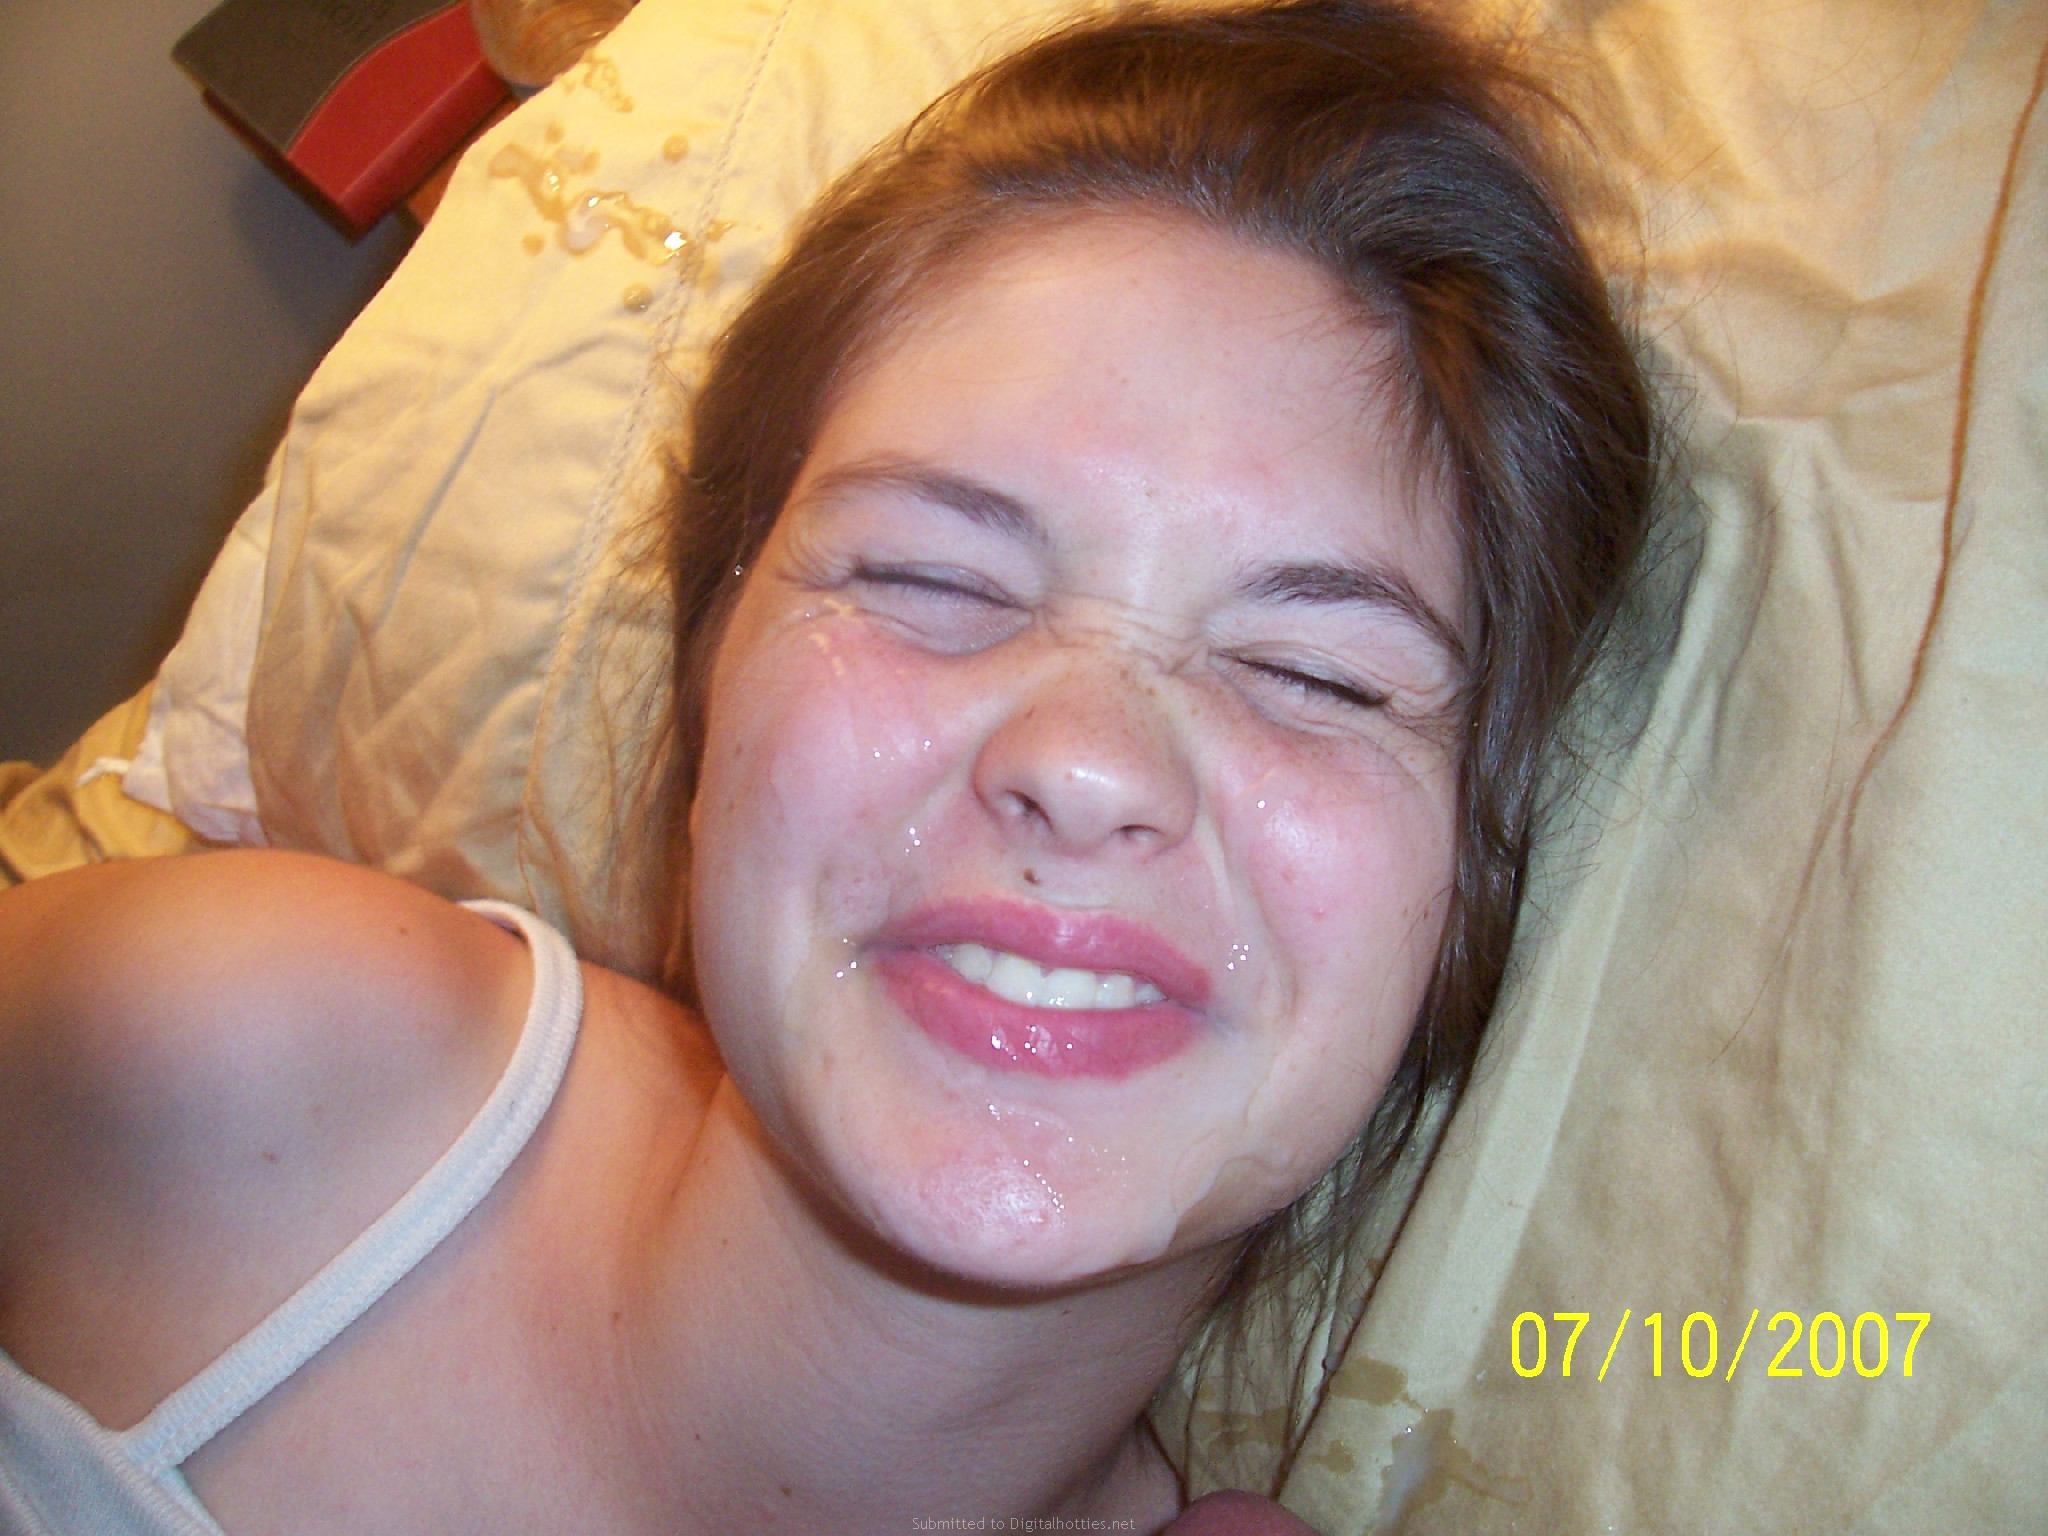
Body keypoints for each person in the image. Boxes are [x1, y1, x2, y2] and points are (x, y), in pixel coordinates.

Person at [0, 1, 1653, 1531]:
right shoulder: (226, 1058)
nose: (1085, 763)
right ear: (714, 676)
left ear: (1467, 896)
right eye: (932, 576)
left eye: (1310, 674)